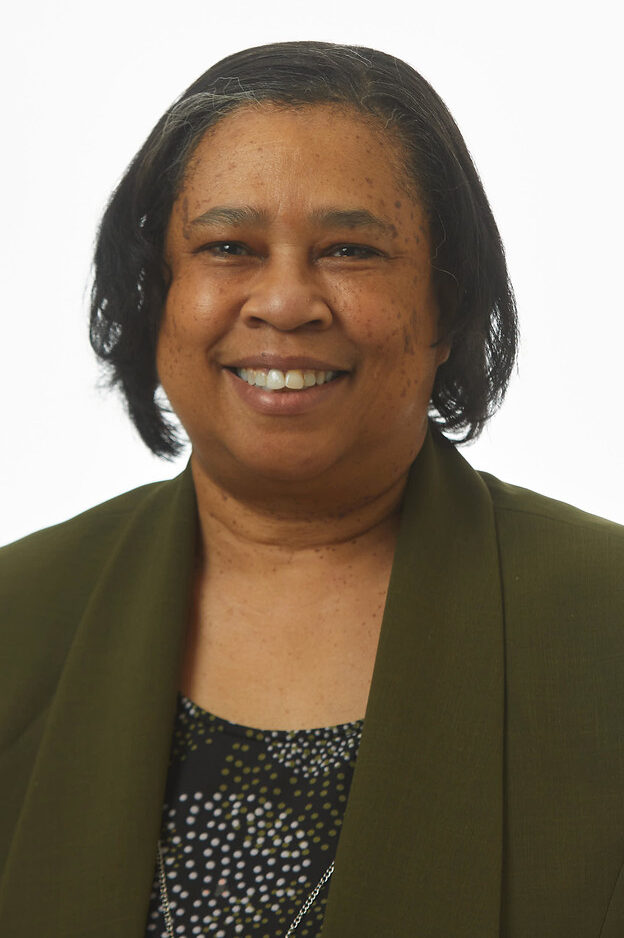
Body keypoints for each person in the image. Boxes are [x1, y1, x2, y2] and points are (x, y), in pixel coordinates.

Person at [1, 40, 623, 938]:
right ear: (154, 294)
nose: (286, 302)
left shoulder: (604, 624)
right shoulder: (16, 619)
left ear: (448, 305)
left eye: (349, 250)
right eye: (228, 247)